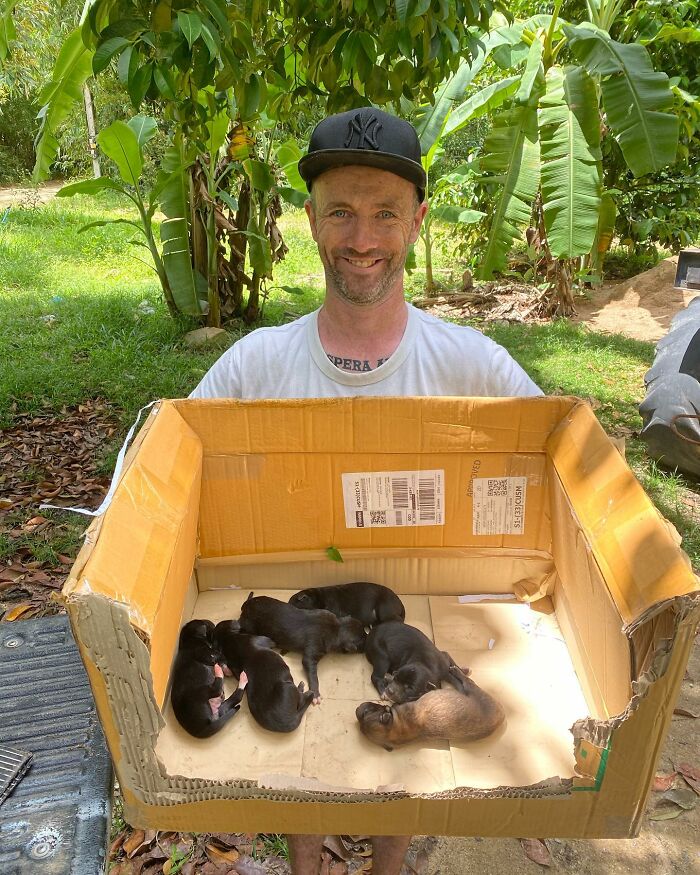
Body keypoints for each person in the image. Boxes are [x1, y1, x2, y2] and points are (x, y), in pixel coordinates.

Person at [191, 107, 542, 875]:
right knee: (305, 764)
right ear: (310, 219)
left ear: (417, 221)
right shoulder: (252, 369)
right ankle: (307, 862)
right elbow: (168, 468)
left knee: (406, 733)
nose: (361, 238)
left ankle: (387, 864)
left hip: (419, 622)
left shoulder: (476, 369)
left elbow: (560, 461)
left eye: (385, 213)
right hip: (294, 615)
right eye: (341, 211)